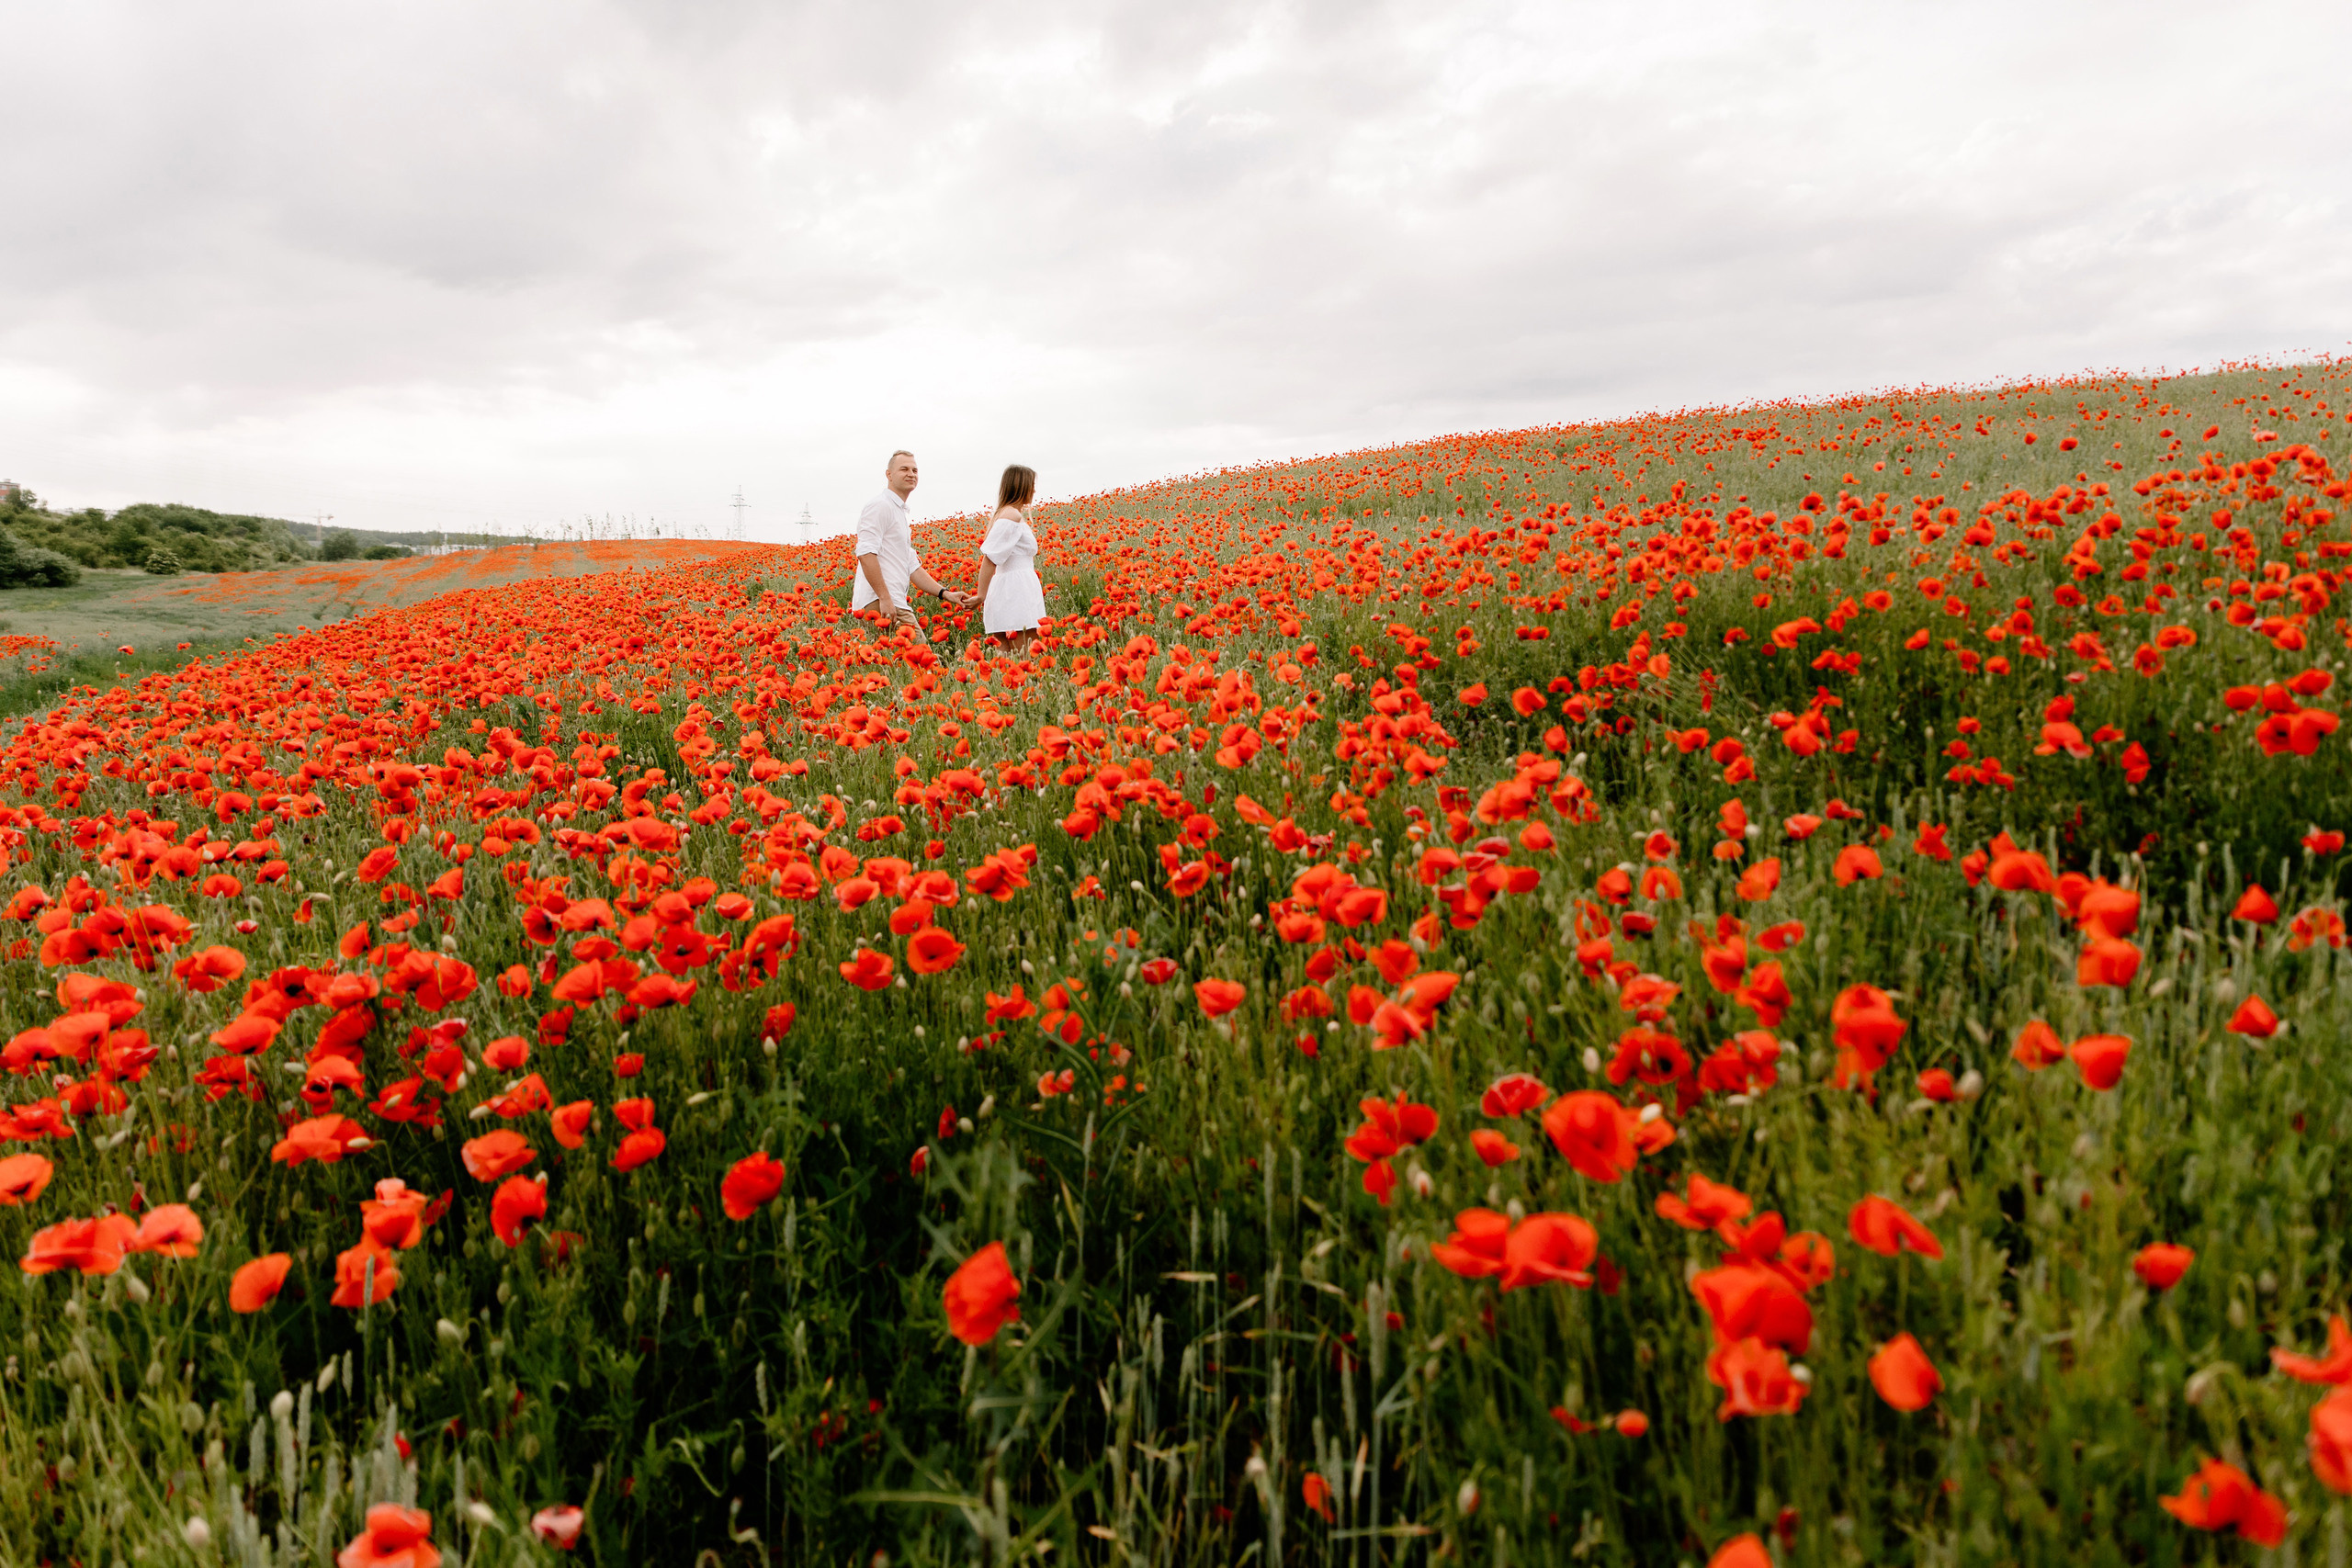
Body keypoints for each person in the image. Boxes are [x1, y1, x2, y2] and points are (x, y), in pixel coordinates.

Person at [854, 450, 969, 628]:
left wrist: (945, 594)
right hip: (882, 602)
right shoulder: (880, 506)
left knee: (905, 656)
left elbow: (912, 567)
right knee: (923, 656)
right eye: (904, 469)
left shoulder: (898, 512)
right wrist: (885, 598)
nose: (911, 474)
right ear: (889, 474)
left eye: (915, 470)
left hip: (892, 601)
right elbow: (865, 553)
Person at [974, 464, 1046, 649]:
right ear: (1021, 486)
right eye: (1031, 485)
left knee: (1008, 664)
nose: (1034, 490)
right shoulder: (1011, 515)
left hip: (1009, 588)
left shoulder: (1006, 514)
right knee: (1027, 657)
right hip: (1017, 591)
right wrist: (981, 595)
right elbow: (990, 558)